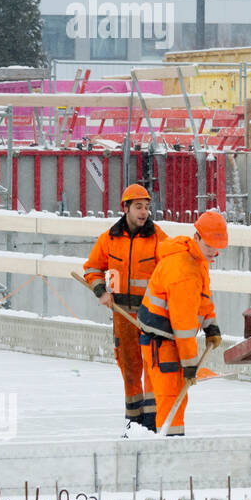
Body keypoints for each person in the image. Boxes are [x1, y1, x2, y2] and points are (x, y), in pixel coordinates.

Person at [82, 184, 166, 432]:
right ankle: (134, 420)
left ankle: (152, 422)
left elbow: (170, 270)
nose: (144, 212)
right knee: (129, 368)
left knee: (151, 368)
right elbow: (92, 268)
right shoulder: (110, 238)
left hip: (149, 316)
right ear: (126, 208)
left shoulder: (158, 237)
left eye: (147, 207)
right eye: (138, 207)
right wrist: (101, 291)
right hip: (122, 315)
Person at [137, 210, 227, 437]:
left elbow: (203, 298)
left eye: (218, 247)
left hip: (166, 340)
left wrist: (210, 326)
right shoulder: (184, 271)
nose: (214, 252)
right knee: (171, 401)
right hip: (163, 344)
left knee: (172, 398)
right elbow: (184, 325)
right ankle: (170, 449)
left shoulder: (197, 259)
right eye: (209, 246)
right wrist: (190, 364)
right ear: (196, 237)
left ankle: (164, 440)